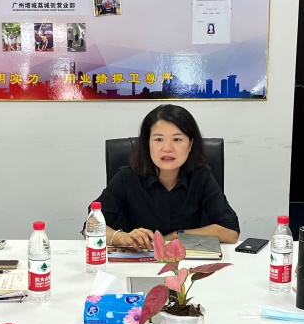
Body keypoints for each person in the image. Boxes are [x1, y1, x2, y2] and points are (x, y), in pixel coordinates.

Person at [95, 104, 239, 248]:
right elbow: (92, 225)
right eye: (159, 139)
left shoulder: (201, 177)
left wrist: (176, 236)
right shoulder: (127, 177)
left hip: (186, 259)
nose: (167, 148)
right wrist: (122, 237)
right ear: (147, 144)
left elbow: (231, 231)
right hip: (137, 257)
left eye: (177, 139)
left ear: (190, 145)